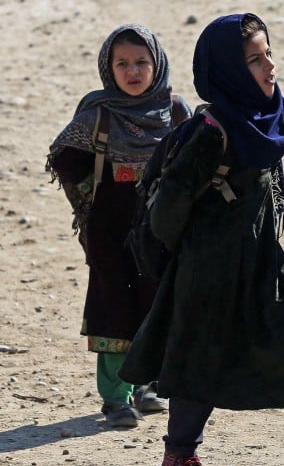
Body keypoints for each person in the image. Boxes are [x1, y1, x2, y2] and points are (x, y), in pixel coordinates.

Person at [119, 13, 284, 466]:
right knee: (200, 360)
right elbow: (166, 212)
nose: (268, 66)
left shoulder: (263, 119)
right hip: (209, 270)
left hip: (261, 262)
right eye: (254, 60)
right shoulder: (210, 132)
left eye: (268, 53)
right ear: (230, 71)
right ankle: (178, 457)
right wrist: (196, 258)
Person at [47, 24, 191, 428]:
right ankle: (115, 397)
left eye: (142, 62)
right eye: (122, 63)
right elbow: (64, 158)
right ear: (108, 68)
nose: (133, 71)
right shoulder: (98, 115)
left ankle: (147, 384)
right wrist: (93, 197)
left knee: (156, 302)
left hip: (161, 231)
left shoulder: (175, 111)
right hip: (111, 233)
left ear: (157, 63)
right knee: (113, 308)